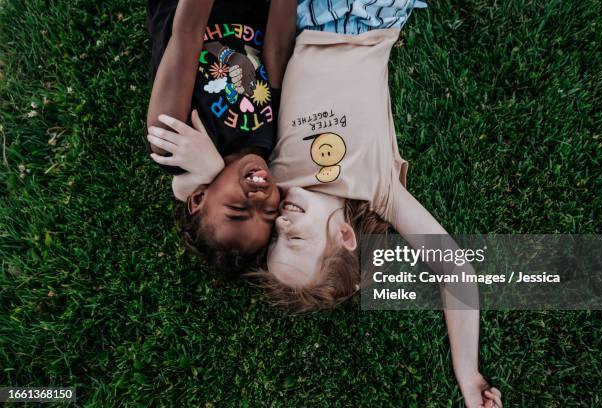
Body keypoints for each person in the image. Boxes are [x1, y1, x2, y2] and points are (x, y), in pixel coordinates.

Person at [157, 1, 503, 406]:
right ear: (345, 235)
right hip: (369, 19)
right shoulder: (381, 192)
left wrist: (209, 168)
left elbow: (200, 196)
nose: (281, 225)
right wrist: (468, 373)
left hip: (306, 16)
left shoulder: (277, 181)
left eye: (274, 242)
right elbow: (454, 268)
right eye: (296, 241)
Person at [145, 0, 295, 273]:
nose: (259, 199)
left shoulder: (172, 145)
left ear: (198, 200)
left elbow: (188, 32)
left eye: (238, 209)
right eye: (269, 213)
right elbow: (277, 51)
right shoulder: (271, 146)